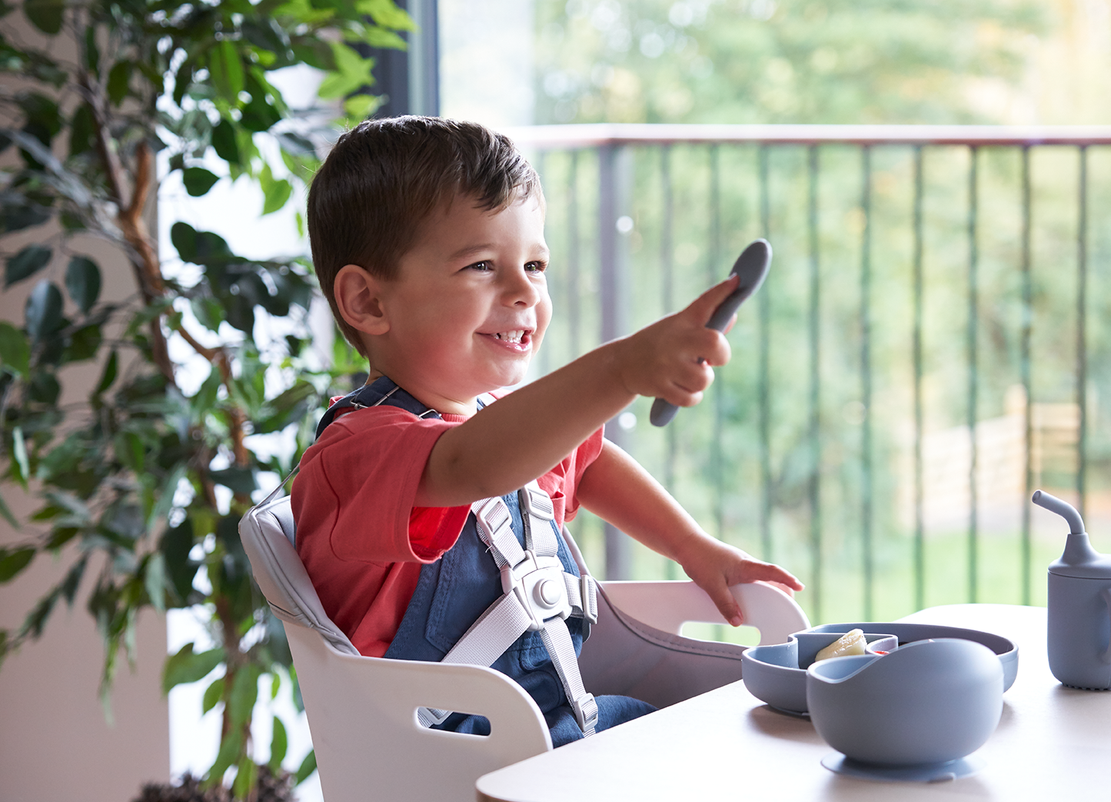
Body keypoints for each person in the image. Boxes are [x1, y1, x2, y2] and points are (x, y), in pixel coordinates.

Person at [293, 115, 802, 746]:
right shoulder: (356, 459)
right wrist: (621, 368)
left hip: (571, 728)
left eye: (535, 265)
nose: (523, 292)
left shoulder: (500, 426)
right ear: (368, 302)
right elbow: (467, 467)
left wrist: (694, 548)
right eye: (481, 265)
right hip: (466, 772)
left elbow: (586, 463)